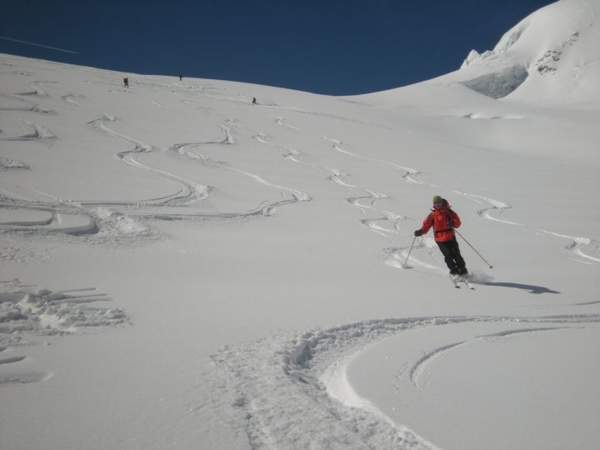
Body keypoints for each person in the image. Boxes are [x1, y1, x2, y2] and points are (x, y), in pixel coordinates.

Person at [414, 196, 468, 276]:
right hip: (440, 240)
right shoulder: (432, 215)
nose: (437, 205)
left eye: (439, 203)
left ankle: (463, 270)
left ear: (442, 203)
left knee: (456, 254)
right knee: (448, 255)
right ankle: (454, 271)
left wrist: (452, 222)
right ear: (434, 205)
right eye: (435, 204)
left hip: (450, 237)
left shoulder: (449, 212)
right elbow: (426, 225)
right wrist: (420, 231)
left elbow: (458, 224)